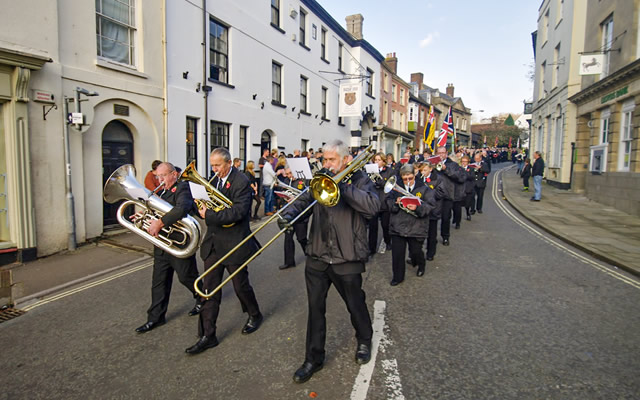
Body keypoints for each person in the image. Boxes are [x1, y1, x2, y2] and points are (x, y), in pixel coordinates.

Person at [280, 140, 380, 383]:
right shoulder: (319, 178)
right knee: (315, 310)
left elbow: (373, 206)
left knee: (355, 303)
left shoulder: (360, 180)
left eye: (331, 160)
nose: (326, 164)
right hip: (318, 254)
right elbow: (303, 201)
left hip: (347, 256)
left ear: (345, 160)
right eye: (324, 159)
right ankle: (313, 358)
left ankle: (364, 340)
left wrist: (341, 186)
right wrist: (288, 215)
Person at [186, 148, 263, 355]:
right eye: (212, 165)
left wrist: (209, 215)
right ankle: (208, 335)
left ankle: (254, 314)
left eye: (217, 165)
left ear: (229, 163)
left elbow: (239, 212)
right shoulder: (213, 181)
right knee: (209, 290)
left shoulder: (241, 182)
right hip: (213, 243)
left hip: (233, 242)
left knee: (241, 286)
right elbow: (207, 208)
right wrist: (198, 206)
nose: (214, 169)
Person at [135, 162, 202, 334]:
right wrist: (144, 216)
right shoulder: (161, 191)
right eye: (158, 177)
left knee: (187, 277)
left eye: (163, 176)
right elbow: (156, 211)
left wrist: (160, 222)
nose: (160, 180)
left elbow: (182, 208)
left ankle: (203, 298)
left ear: (173, 174)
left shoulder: (183, 187)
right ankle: (155, 318)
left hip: (179, 242)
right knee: (159, 282)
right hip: (162, 244)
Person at [388, 164, 435, 285]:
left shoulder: (424, 188)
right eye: (404, 178)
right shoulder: (395, 189)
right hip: (398, 226)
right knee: (397, 254)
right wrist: (395, 202)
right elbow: (387, 203)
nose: (408, 181)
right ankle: (398, 277)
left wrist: (417, 207)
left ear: (415, 176)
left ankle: (421, 264)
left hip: (416, 226)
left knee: (415, 251)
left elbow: (430, 205)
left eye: (410, 178)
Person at [278, 167, 309, 269]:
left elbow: (307, 196)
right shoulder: (287, 181)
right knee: (288, 238)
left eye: (290, 173)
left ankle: (309, 254)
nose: (289, 176)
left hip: (300, 214)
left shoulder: (303, 181)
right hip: (289, 214)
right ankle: (289, 262)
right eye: (287, 174)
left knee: (301, 238)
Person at [434, 146, 466, 243]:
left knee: (446, 217)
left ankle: (445, 237)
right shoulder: (432, 164)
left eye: (442, 153)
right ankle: (432, 238)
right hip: (435, 194)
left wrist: (446, 169)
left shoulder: (453, 165)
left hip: (447, 194)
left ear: (446, 153)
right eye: (439, 153)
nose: (441, 155)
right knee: (433, 218)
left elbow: (460, 177)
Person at [421, 163, 444, 262]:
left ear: (430, 169)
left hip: (433, 210)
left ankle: (430, 252)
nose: (423, 172)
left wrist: (428, 190)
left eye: (425, 170)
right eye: (421, 170)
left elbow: (441, 193)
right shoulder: (418, 178)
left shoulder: (438, 178)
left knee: (431, 234)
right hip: (421, 209)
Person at [460, 156, 475, 221]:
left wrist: (465, 172)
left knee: (467, 203)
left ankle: (468, 213)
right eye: (462, 161)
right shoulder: (459, 168)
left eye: (465, 162)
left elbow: (472, 177)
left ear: (468, 162)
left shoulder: (471, 169)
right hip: (460, 188)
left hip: (468, 188)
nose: (464, 163)